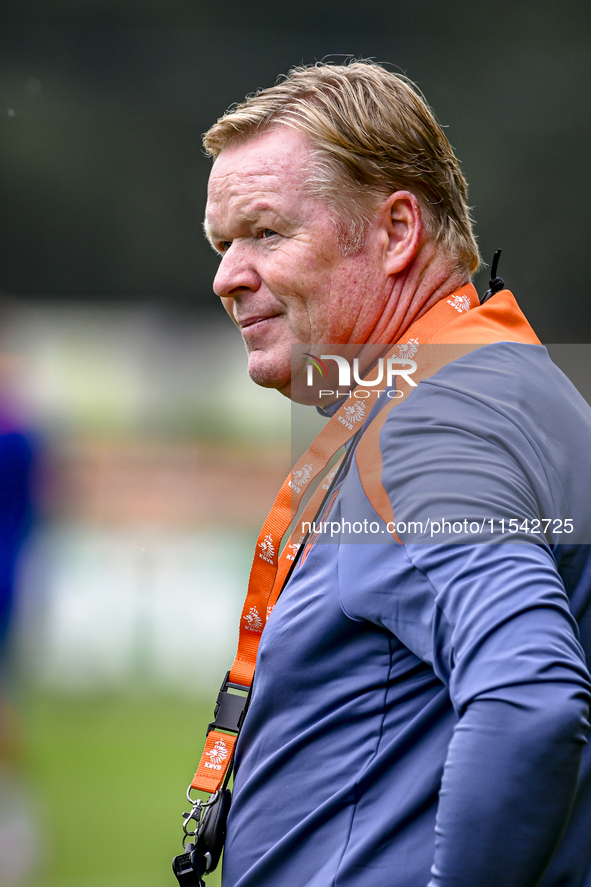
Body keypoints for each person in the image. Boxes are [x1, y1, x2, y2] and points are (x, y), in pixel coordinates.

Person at [201, 61, 591, 887]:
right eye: (222, 243)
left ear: (396, 232)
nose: (227, 277)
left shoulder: (434, 423)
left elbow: (531, 703)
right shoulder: (498, 385)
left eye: (265, 233)